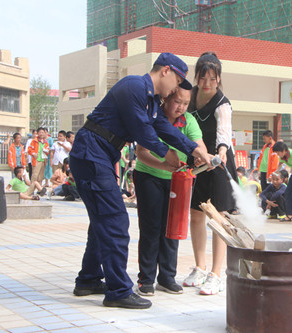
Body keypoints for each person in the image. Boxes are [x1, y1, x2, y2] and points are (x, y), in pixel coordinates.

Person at [69, 52, 212, 309]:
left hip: (100, 154)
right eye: (177, 80)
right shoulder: (134, 86)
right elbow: (142, 132)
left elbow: (164, 128)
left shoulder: (151, 102)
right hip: (92, 152)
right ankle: (118, 291)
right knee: (115, 220)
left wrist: (193, 149)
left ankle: (88, 279)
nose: (176, 89)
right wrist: (167, 153)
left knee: (102, 220)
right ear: (165, 71)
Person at [133, 87, 206, 297]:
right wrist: (164, 166)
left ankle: (166, 277)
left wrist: (202, 155)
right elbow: (142, 153)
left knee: (173, 227)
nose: (181, 107)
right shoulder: (153, 117)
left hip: (178, 180)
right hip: (149, 176)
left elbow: (197, 144)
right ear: (166, 99)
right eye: (177, 102)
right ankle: (145, 279)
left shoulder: (188, 120)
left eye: (185, 103)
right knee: (151, 228)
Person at [185, 52, 236, 295]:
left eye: (212, 79)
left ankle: (216, 274)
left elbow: (224, 132)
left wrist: (222, 151)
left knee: (218, 217)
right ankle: (200, 267)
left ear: (219, 79)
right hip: (195, 159)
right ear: (196, 77)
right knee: (195, 215)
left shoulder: (222, 103)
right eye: (203, 78)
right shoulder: (189, 96)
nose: (207, 84)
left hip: (218, 162)